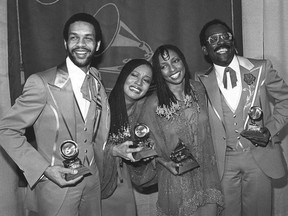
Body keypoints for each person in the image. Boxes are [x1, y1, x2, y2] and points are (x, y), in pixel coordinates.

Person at [0, 13, 110, 216]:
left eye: (88, 38)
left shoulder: (96, 79)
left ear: (97, 45)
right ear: (65, 43)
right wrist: (44, 170)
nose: (81, 43)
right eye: (74, 37)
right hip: (56, 186)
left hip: (93, 182)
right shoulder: (41, 83)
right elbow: (6, 130)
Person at [197, 19, 288, 216]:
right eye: (213, 39)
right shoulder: (200, 82)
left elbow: (286, 99)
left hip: (259, 156)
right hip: (222, 162)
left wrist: (270, 130)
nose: (221, 42)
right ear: (205, 49)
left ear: (233, 40)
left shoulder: (261, 68)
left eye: (225, 36)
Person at [129, 44, 224, 216]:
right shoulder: (153, 104)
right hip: (177, 182)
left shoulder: (200, 89)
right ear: (159, 72)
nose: (172, 69)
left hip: (207, 177)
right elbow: (141, 146)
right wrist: (164, 162)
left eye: (175, 61)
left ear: (183, 61)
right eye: (164, 66)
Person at [101, 58, 158, 216]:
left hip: (123, 181)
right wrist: (113, 150)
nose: (139, 83)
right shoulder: (100, 105)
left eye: (146, 80)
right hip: (96, 181)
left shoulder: (146, 110)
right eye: (134, 75)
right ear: (123, 76)